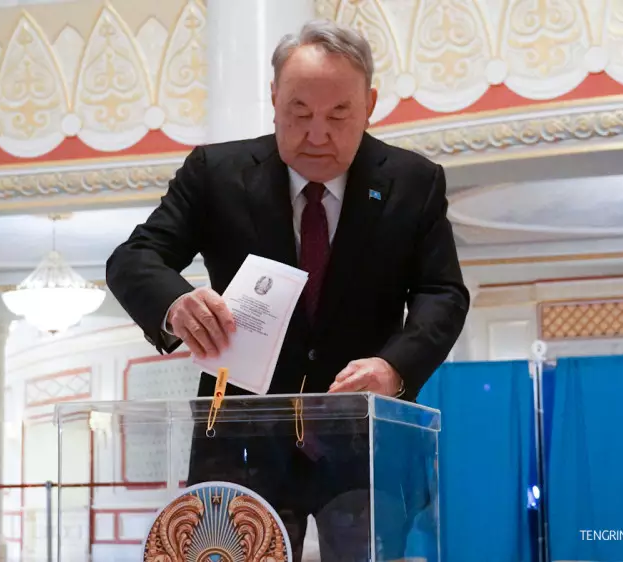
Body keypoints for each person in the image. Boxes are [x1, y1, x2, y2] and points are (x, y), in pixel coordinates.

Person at [106, 18, 469, 560]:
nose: (317, 135)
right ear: (274, 98)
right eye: (299, 113)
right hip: (241, 439)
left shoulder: (413, 182)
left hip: (363, 440)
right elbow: (134, 258)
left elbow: (443, 294)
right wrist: (176, 303)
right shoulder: (216, 173)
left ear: (370, 105)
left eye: (338, 114)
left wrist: (393, 369)